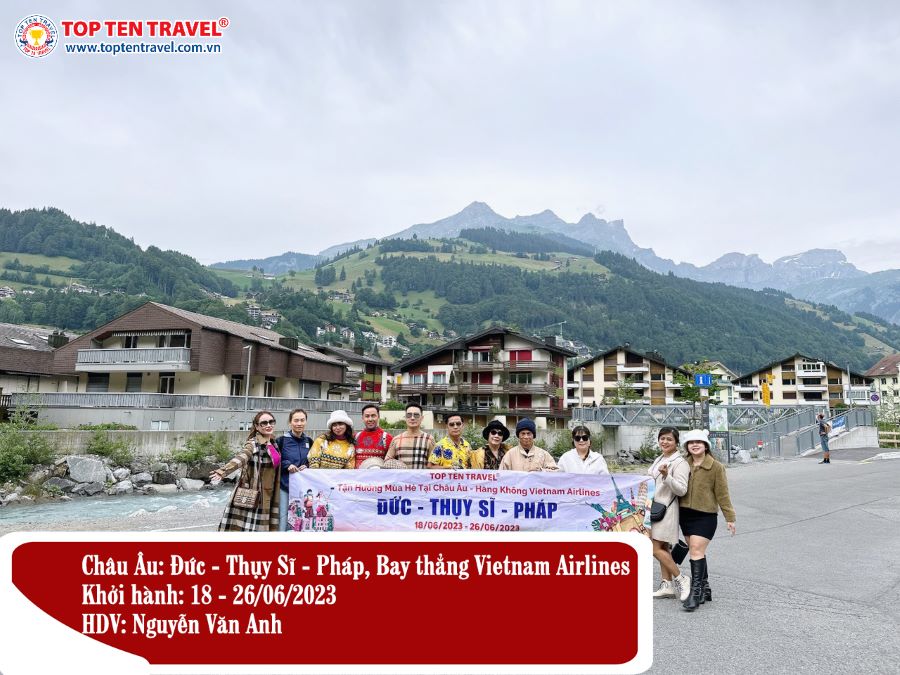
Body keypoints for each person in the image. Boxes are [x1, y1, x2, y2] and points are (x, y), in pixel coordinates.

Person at [678, 428, 736, 611]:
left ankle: (695, 594)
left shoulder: (716, 467)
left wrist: (730, 517)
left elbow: (723, 494)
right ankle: (705, 587)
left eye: (699, 442)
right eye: (691, 442)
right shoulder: (682, 464)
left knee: (695, 549)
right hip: (685, 515)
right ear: (687, 446)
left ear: (705, 445)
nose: (695, 445)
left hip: (705, 516)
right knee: (697, 551)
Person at [210, 410, 282, 532]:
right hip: (256, 491)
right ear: (257, 426)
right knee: (251, 528)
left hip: (272, 490)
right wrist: (223, 471)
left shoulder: (274, 443)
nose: (269, 425)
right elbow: (242, 457)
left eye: (271, 422)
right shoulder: (253, 443)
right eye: (264, 423)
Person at [648, 427, 691, 601]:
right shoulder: (660, 458)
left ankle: (681, 578)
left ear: (676, 442)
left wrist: (667, 476)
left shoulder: (680, 463)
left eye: (669, 439)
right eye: (662, 438)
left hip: (666, 510)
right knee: (663, 548)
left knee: (654, 548)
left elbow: (682, 489)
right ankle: (667, 585)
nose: (665, 442)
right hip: (654, 509)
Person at [276, 408, 312, 531]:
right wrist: (287, 465)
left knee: (301, 518)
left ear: (306, 422)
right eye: (296, 420)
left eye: (302, 420)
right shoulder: (281, 440)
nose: (299, 423)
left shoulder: (309, 441)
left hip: (302, 488)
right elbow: (275, 460)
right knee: (283, 517)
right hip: (284, 486)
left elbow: (313, 461)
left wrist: (307, 465)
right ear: (290, 422)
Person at [385, 402, 436, 469]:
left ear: (422, 418)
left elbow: (434, 464)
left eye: (416, 415)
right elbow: (387, 461)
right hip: (401, 476)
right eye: (409, 415)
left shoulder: (429, 439)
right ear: (405, 418)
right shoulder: (396, 439)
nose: (412, 418)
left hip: (421, 476)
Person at [354, 403, 393, 468]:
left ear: (378, 417)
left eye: (373, 416)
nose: (370, 419)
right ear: (362, 418)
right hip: (358, 474)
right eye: (367, 416)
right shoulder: (356, 437)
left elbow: (391, 463)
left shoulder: (387, 438)